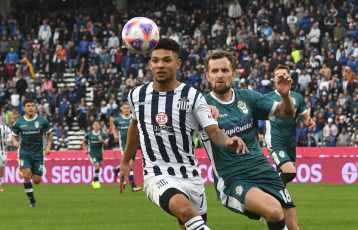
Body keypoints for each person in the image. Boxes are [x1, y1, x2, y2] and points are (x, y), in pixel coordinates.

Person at [119, 39, 246, 230]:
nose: (160, 64)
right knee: (187, 212)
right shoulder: (137, 95)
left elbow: (214, 131)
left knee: (190, 224)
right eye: (156, 60)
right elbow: (135, 127)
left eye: (167, 60)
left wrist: (228, 142)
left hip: (191, 176)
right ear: (150, 64)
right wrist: (125, 161)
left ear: (177, 64)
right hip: (156, 173)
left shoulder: (193, 96)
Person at [200, 50, 299, 230]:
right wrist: (229, 140)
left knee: (292, 227)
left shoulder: (248, 97)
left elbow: (288, 113)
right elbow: (212, 133)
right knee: (275, 211)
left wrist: (285, 96)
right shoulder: (200, 105)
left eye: (224, 70)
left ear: (234, 75)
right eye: (214, 71)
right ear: (207, 76)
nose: (220, 75)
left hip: (263, 169)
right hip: (233, 178)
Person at [265, 65, 315, 185]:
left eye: (284, 75)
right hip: (275, 140)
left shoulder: (297, 98)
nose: (281, 77)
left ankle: (278, 202)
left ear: (289, 78)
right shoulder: (267, 98)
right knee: (289, 173)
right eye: (278, 75)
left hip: (291, 141)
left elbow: (304, 117)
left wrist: (310, 122)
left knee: (284, 179)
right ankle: (263, 181)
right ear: (274, 79)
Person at [11, 99, 53, 207]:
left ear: (35, 107)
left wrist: (48, 147)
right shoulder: (19, 122)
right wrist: (15, 142)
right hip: (24, 152)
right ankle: (32, 201)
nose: (30, 108)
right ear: (24, 108)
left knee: (37, 180)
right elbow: (14, 135)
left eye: (32, 106)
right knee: (26, 175)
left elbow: (49, 134)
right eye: (28, 106)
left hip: (38, 153)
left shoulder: (42, 121)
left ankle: (26, 170)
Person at [112, 102, 142, 192]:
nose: (126, 109)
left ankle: (117, 170)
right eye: (124, 108)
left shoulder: (134, 119)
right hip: (124, 145)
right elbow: (113, 127)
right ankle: (133, 185)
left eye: (128, 108)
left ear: (130, 109)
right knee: (130, 164)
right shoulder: (118, 120)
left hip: (133, 145)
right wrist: (115, 134)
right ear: (122, 109)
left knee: (130, 164)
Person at [82, 120, 108, 189]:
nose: (96, 126)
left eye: (97, 124)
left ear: (99, 126)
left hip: (100, 153)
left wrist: (102, 141)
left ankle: (94, 181)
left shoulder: (102, 134)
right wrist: (85, 149)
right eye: (95, 124)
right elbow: (84, 141)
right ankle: (96, 182)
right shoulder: (89, 134)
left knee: (98, 167)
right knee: (97, 165)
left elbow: (106, 144)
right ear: (93, 126)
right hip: (92, 153)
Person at [0, 115, 12, 192]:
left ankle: (0, 184)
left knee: (1, 167)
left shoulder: (5, 127)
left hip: (3, 150)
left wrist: (7, 140)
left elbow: (11, 136)